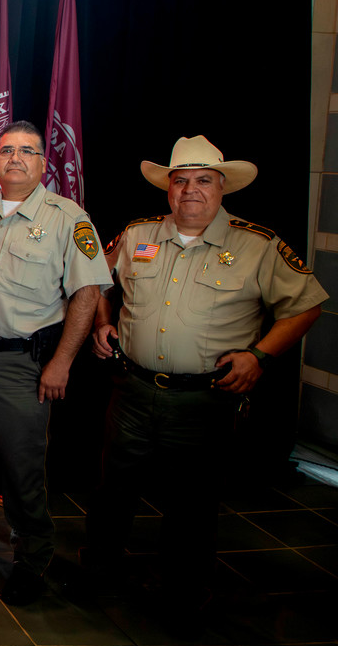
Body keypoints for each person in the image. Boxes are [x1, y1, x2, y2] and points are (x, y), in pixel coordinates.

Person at [85, 135, 326, 614]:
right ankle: (98, 576)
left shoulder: (256, 245)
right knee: (113, 491)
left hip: (203, 400)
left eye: (202, 181)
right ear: (167, 188)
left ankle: (183, 594)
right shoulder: (138, 234)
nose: (190, 190)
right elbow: (94, 279)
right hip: (131, 390)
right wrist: (102, 321)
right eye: (180, 181)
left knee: (192, 505)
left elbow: (307, 305)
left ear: (222, 188)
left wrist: (259, 356)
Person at [0, 120, 112, 606]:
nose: (14, 158)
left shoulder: (66, 217)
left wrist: (61, 364)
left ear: (42, 162)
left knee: (21, 464)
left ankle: (32, 557)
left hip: (21, 363)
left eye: (27, 151)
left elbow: (87, 292)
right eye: (6, 149)